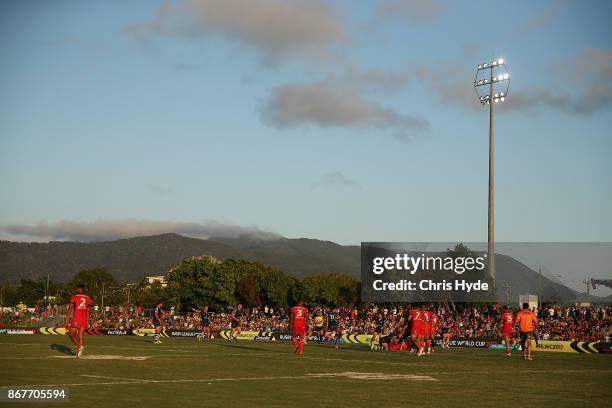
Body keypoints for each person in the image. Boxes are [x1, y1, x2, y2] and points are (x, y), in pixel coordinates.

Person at [65, 284, 91, 358]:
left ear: (82, 289)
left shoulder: (75, 297)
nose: (77, 290)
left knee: (71, 334)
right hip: (84, 318)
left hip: (77, 318)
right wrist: (87, 320)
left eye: (78, 289)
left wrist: (67, 318)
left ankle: (79, 346)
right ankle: (79, 352)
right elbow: (88, 310)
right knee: (80, 334)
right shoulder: (88, 298)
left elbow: (70, 308)